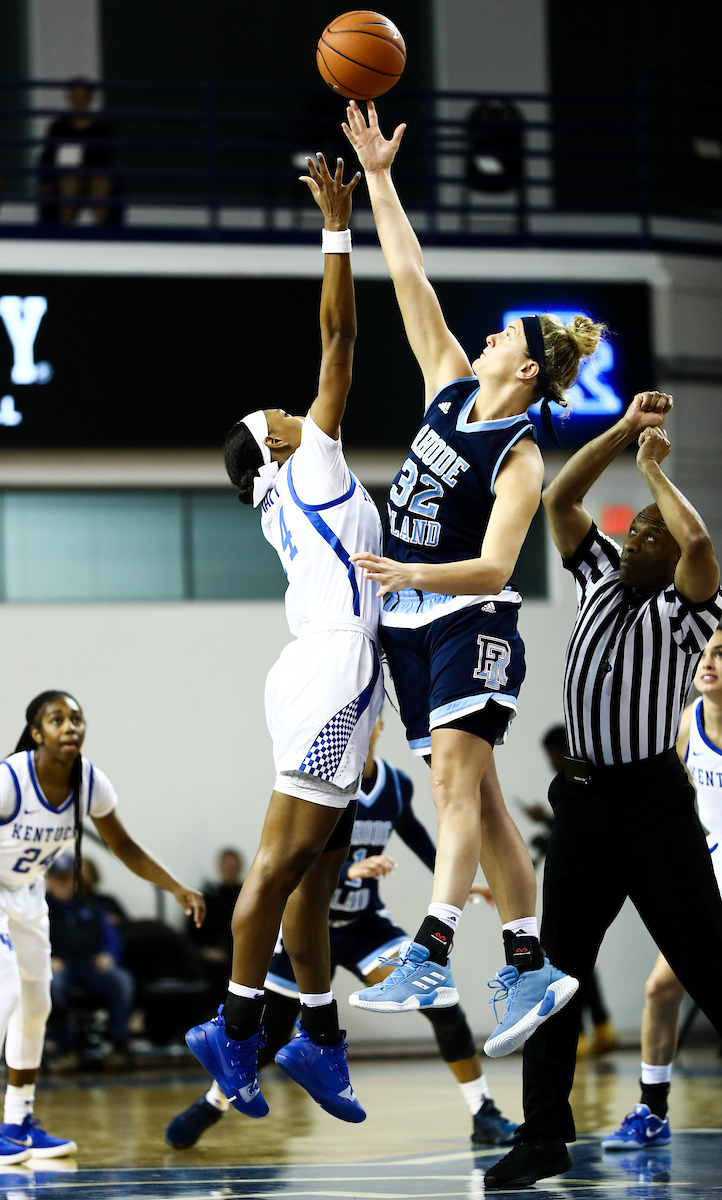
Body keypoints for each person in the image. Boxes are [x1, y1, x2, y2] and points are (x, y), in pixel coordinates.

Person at [340, 100, 594, 1054]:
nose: (486, 337)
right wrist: (378, 179)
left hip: (469, 618)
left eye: (505, 338)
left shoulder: (520, 456)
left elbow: (494, 563)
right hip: (411, 624)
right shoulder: (449, 385)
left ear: (526, 372)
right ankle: (531, 967)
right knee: (482, 805)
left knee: (453, 783)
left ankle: (435, 947)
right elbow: (410, 279)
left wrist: (407, 567)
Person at [185, 152, 383, 1126]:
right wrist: (338, 226)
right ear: (272, 446)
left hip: (319, 662)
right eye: (273, 414)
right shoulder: (312, 459)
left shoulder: (288, 495)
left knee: (311, 866)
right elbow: (340, 333)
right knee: (278, 865)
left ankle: (318, 1031)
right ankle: (235, 1021)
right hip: (335, 660)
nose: (287, 408)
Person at [485, 393, 722, 1188]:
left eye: (645, 534)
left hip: (653, 805)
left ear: (664, 555)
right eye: (632, 530)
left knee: (709, 965)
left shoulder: (687, 615)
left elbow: (700, 545)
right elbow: (561, 498)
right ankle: (544, 1135)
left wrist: (657, 476)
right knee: (554, 976)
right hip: (584, 805)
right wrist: (622, 433)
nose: (633, 538)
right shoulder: (595, 575)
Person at [0, 690, 204, 1166]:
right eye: (56, 719)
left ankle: (19, 1122)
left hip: (26, 891)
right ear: (36, 732)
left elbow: (125, 847)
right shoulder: (5, 780)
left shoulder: (90, 783)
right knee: (2, 992)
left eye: (76, 718)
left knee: (36, 1003)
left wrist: (176, 887)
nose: (69, 726)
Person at [166, 713, 519, 1150]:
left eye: (369, 718)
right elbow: (297, 860)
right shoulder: (320, 782)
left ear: (379, 726)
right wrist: (352, 866)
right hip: (308, 928)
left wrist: (462, 883)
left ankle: (483, 1112)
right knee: (270, 1038)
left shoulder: (394, 784)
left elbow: (416, 834)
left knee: (439, 998)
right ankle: (214, 1102)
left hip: (364, 925)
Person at [602, 625, 722, 1150]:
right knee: (660, 989)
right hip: (708, 878)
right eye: (707, 650)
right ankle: (652, 1110)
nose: (708, 661)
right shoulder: (686, 725)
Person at [525, 725, 617, 1057]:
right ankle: (602, 1026)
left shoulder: (573, 778)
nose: (548, 761)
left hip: (583, 878)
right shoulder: (584, 776)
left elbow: (577, 827)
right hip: (596, 874)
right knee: (581, 960)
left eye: (550, 753)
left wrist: (545, 824)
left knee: (569, 960)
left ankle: (576, 1034)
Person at [46, 857, 136, 1068]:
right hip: (60, 967)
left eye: (66, 879)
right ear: (48, 881)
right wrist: (46, 959)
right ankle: (66, 1048)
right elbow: (27, 942)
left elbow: (112, 937)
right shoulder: (39, 909)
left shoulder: (92, 906)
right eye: (57, 879)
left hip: (91, 965)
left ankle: (118, 1045)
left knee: (122, 980)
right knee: (51, 984)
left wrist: (109, 955)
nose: (62, 883)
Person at [38, 78, 113, 225]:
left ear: (90, 99)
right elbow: (49, 154)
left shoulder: (101, 127)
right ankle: (65, 233)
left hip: (94, 173)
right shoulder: (58, 126)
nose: (78, 102)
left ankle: (104, 234)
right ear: (69, 99)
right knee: (69, 184)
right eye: (74, 97)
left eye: (82, 97)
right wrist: (47, 180)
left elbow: (105, 156)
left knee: (101, 185)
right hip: (67, 173)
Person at [186, 848, 244, 999]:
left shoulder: (247, 897)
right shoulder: (209, 898)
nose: (230, 871)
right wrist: (206, 951)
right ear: (220, 868)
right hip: (215, 956)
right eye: (227, 867)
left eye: (233, 867)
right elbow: (192, 934)